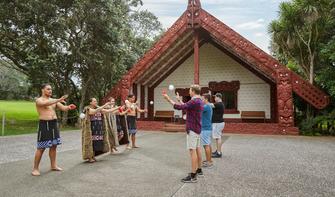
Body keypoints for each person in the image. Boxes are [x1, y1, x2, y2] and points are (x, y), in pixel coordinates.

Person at [32, 84, 77, 176]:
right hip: (44, 124)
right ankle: (35, 169)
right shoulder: (39, 100)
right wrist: (58, 99)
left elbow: (63, 108)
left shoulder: (53, 100)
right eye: (48, 89)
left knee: (54, 145)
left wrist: (68, 107)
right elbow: (45, 104)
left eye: (51, 89)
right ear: (42, 90)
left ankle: (53, 165)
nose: (50, 91)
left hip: (53, 124)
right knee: (41, 147)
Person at [163, 85, 204, 183]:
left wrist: (168, 99)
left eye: (190, 90)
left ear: (193, 91)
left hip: (193, 129)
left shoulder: (194, 101)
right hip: (197, 128)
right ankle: (199, 170)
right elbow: (186, 107)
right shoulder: (199, 101)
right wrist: (178, 99)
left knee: (192, 151)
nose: (189, 92)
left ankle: (193, 176)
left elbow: (179, 107)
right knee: (197, 149)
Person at [81, 98, 119, 163]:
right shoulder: (87, 109)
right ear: (90, 102)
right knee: (91, 142)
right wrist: (104, 105)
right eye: (94, 101)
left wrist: (117, 108)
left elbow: (107, 111)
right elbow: (94, 111)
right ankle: (90, 157)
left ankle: (93, 156)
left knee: (96, 142)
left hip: (98, 128)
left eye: (96, 101)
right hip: (91, 129)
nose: (96, 102)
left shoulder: (98, 108)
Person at [200, 93, 213, 167]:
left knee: (206, 145)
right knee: (208, 144)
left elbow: (198, 108)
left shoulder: (206, 106)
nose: (201, 100)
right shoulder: (208, 106)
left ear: (206, 99)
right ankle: (209, 159)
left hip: (205, 128)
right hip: (207, 128)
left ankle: (209, 162)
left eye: (202, 99)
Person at [211, 93, 225, 158]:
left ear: (218, 97)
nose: (214, 98)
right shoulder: (220, 104)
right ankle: (218, 151)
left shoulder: (219, 104)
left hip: (218, 123)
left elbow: (210, 105)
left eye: (215, 97)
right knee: (217, 137)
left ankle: (219, 153)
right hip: (219, 123)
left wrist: (204, 101)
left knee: (218, 137)